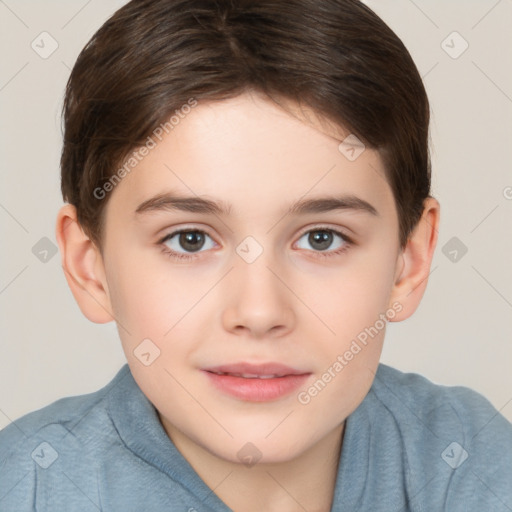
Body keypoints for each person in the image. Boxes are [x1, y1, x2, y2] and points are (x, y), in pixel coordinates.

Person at [1, 0, 511, 510]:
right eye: (190, 239)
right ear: (90, 268)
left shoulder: (475, 463)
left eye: (321, 238)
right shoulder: (24, 488)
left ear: (410, 260)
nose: (260, 312)